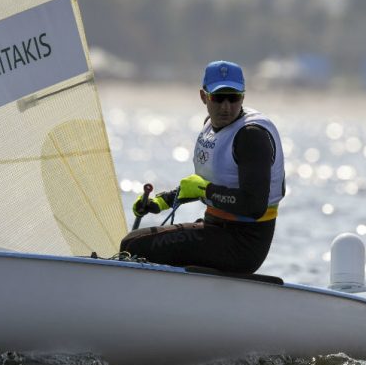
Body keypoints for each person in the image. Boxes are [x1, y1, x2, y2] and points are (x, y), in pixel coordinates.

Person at [119, 60, 285, 274]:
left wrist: (206, 191)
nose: (226, 106)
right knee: (135, 242)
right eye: (218, 98)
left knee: (133, 246)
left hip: (243, 243)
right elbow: (210, 182)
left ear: (243, 97)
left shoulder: (251, 136)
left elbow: (254, 206)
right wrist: (162, 201)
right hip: (217, 229)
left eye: (233, 98)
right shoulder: (211, 127)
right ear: (203, 96)